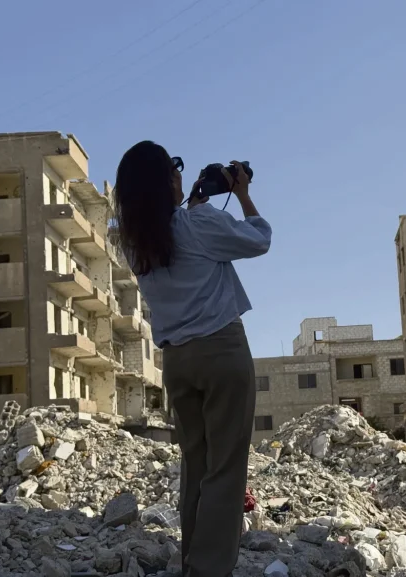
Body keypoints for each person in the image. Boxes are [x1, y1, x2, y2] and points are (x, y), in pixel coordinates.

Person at [113, 141, 272, 577]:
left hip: (177, 364)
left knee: (196, 466)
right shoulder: (200, 222)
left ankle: (191, 564)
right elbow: (260, 238)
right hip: (222, 351)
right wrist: (240, 194)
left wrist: (196, 203)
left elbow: (172, 233)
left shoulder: (135, 244)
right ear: (168, 181)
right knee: (225, 469)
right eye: (174, 168)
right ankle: (209, 570)